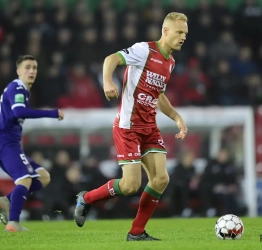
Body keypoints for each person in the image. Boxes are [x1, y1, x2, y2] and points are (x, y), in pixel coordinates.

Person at [74, 12, 188, 241]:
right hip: (128, 126)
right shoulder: (145, 50)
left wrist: (176, 117)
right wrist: (108, 81)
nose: (183, 37)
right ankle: (86, 199)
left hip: (149, 128)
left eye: (185, 33)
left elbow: (159, 95)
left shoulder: (171, 62)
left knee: (161, 179)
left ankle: (136, 232)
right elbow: (111, 59)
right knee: (130, 186)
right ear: (165, 31)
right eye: (179, 32)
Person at [0, 55, 64, 232]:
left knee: (43, 176)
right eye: (27, 67)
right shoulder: (17, 87)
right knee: (26, 179)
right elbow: (18, 112)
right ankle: (13, 223)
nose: (31, 71)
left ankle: (6, 201)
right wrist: (52, 113)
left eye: (34, 68)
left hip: (9, 142)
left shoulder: (23, 90)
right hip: (5, 142)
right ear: (18, 71)